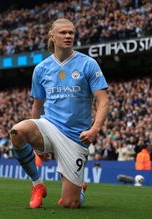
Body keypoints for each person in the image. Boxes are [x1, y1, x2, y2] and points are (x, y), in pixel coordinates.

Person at [9, 18, 109, 209]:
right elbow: (37, 105)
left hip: (75, 136)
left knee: (70, 204)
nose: (68, 36)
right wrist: (37, 146)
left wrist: (95, 129)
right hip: (49, 125)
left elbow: (103, 100)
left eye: (71, 32)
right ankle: (37, 184)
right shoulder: (41, 69)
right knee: (16, 131)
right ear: (52, 36)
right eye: (63, 32)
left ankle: (78, 190)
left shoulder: (88, 64)